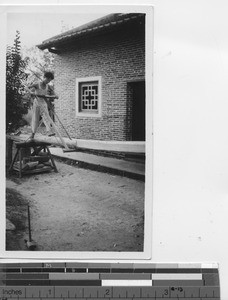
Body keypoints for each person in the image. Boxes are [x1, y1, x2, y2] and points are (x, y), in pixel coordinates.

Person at [27, 71, 69, 150]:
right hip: (37, 102)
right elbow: (28, 88)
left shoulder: (48, 86)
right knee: (35, 119)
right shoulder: (37, 84)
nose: (48, 81)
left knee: (46, 116)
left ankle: (49, 131)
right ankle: (33, 134)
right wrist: (31, 93)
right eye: (47, 79)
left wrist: (55, 96)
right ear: (44, 77)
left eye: (49, 80)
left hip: (43, 103)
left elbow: (54, 94)